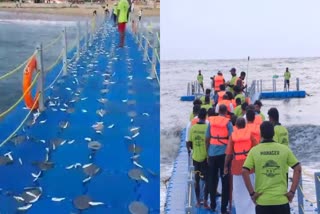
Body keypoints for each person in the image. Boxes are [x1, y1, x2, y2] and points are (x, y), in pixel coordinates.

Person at [242, 121, 301, 214]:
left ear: (260, 133)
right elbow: (297, 168)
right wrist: (292, 192)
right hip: (281, 201)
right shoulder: (284, 149)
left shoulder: (254, 151)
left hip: (263, 202)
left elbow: (244, 171)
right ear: (273, 133)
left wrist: (252, 193)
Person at [224, 117, 258, 214]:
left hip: (237, 169)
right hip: (250, 167)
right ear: (245, 125)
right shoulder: (250, 135)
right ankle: (251, 211)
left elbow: (229, 154)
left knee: (238, 192)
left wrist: (225, 166)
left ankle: (241, 211)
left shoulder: (232, 136)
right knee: (251, 189)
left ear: (237, 126)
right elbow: (257, 149)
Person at [206, 104, 233, 213]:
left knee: (212, 180)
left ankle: (212, 205)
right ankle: (223, 208)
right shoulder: (228, 123)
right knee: (225, 181)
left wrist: (208, 153)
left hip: (212, 154)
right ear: (226, 112)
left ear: (218, 111)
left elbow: (207, 138)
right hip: (224, 155)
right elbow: (231, 140)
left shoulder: (211, 122)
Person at [187, 108, 209, 208]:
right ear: (205, 117)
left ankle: (197, 201)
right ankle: (205, 201)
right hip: (205, 158)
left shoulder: (193, 128)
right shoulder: (208, 128)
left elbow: (189, 143)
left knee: (197, 180)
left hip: (195, 158)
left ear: (198, 117)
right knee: (206, 180)